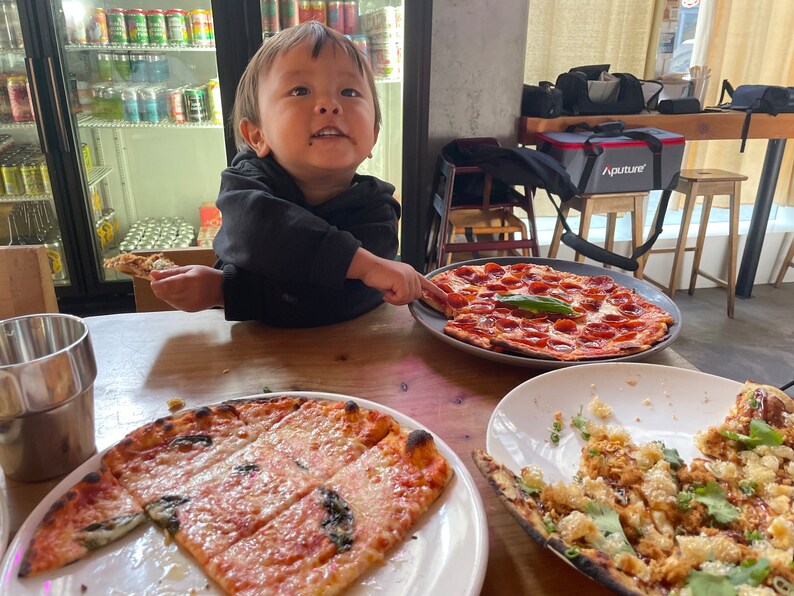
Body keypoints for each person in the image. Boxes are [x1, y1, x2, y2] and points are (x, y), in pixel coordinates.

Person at [150, 22, 444, 327]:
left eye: (349, 91)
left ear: (372, 136)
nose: (330, 104)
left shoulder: (377, 208)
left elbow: (340, 301)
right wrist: (362, 264)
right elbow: (261, 231)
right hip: (246, 350)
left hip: (345, 358)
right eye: (300, 90)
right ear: (257, 135)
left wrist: (226, 291)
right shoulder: (244, 183)